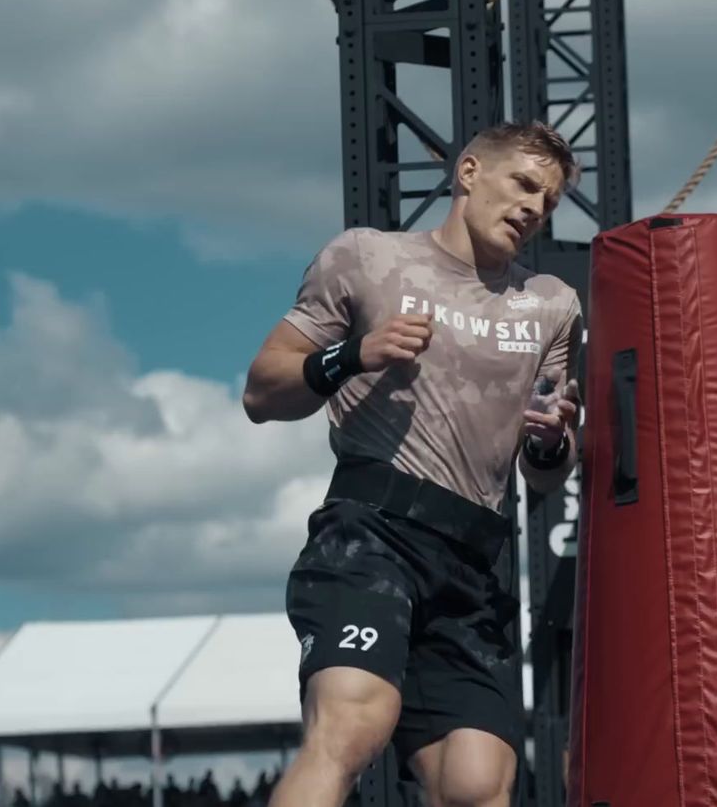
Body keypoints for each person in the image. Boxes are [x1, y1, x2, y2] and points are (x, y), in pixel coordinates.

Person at [243, 121, 584, 807]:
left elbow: (542, 474)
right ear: (468, 173)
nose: (532, 208)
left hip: (473, 559)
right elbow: (261, 390)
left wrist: (551, 441)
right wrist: (352, 356)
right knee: (350, 723)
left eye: (546, 202)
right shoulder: (366, 258)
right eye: (522, 183)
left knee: (478, 783)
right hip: (372, 532)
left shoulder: (551, 303)